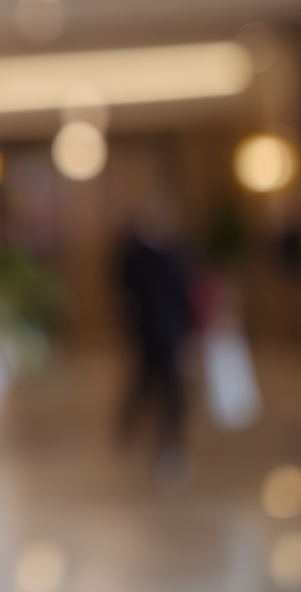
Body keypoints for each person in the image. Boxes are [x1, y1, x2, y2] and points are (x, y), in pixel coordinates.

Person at [116, 194, 194, 483]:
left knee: (170, 385)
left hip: (170, 329)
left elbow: (186, 292)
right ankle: (129, 426)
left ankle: (169, 436)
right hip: (147, 329)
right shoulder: (135, 255)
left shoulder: (176, 252)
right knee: (146, 379)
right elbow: (125, 290)